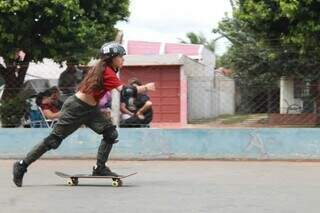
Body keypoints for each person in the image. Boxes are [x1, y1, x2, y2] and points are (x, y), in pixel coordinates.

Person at [12, 42, 156, 187]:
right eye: (120, 56)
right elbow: (126, 92)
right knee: (53, 141)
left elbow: (122, 92)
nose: (123, 59)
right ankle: (21, 165)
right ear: (111, 58)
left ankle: (100, 168)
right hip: (76, 108)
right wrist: (145, 88)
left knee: (110, 133)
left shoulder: (107, 70)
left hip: (91, 111)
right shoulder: (106, 71)